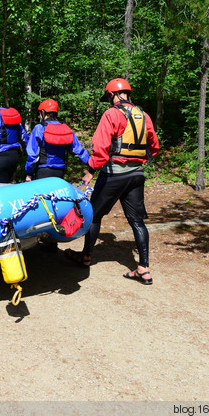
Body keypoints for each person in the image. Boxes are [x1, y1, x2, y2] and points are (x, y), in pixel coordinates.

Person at [65, 78, 160, 285]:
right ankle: (144, 269)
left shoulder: (111, 114)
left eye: (109, 97)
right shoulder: (143, 115)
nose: (109, 101)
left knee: (94, 215)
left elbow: (100, 148)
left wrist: (91, 170)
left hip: (113, 175)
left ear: (114, 95)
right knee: (137, 221)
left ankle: (86, 256)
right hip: (137, 175)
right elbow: (154, 145)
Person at [24, 99, 90, 181]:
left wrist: (29, 173)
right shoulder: (65, 128)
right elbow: (78, 149)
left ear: (43, 112)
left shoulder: (39, 128)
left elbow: (32, 154)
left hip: (43, 172)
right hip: (60, 172)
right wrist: (90, 163)